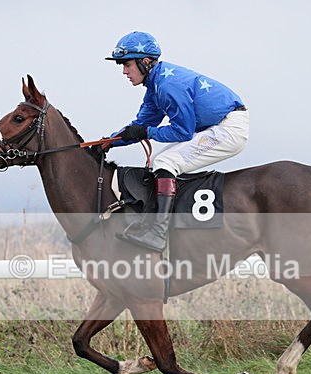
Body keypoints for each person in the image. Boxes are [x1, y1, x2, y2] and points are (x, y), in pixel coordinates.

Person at [104, 31, 249, 252]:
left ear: (145, 62)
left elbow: (182, 132)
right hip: (217, 125)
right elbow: (139, 126)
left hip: (228, 128)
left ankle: (159, 233)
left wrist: (146, 132)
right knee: (157, 162)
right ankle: (158, 225)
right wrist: (109, 143)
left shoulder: (167, 86)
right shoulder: (155, 86)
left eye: (127, 64)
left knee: (166, 162)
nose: (124, 71)